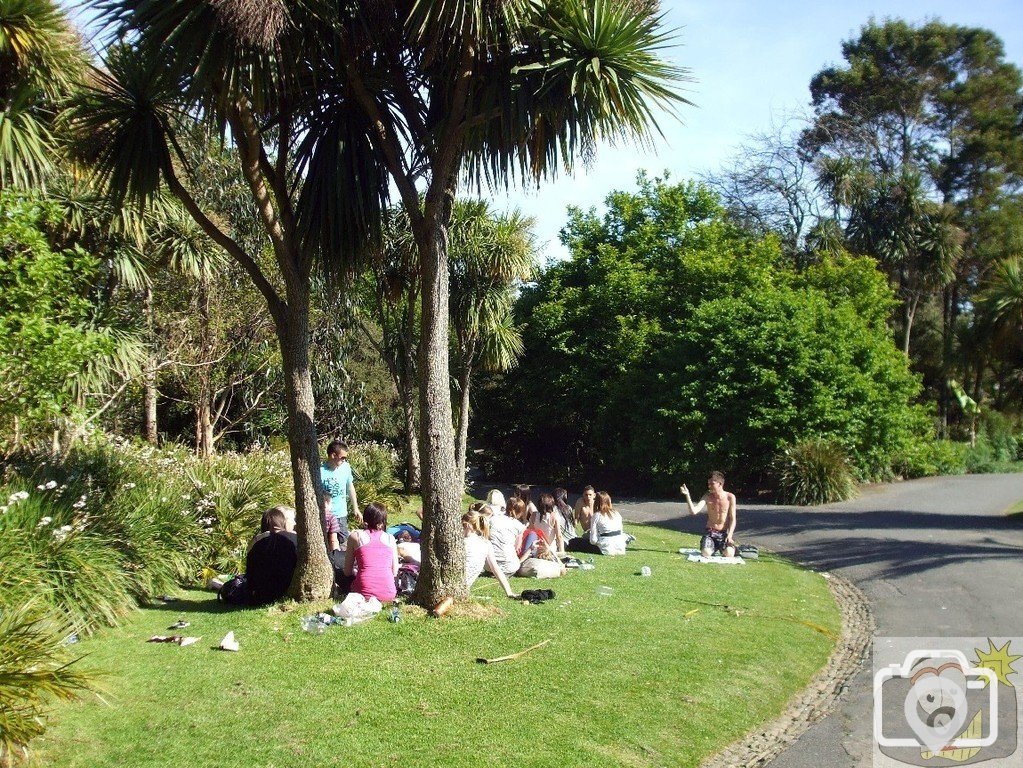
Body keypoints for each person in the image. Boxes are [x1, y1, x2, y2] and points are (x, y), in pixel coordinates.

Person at [343, 502, 398, 602]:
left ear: (365, 519)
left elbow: (347, 572)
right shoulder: (390, 539)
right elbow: (394, 572)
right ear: (382, 522)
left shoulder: (356, 536)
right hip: (388, 593)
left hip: (363, 593)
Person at [245, 506, 298, 606]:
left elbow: (250, 568)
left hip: (260, 592)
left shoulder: (258, 540)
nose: (294, 523)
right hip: (284, 588)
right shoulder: (293, 539)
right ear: (283, 522)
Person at [463, 508, 518, 598]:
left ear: (467, 525)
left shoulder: (463, 542)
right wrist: (509, 592)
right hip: (465, 587)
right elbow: (496, 569)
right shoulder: (486, 543)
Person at [681, 470, 737, 557]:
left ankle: (721, 548)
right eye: (708, 484)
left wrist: (729, 536)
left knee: (729, 554)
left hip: (723, 534)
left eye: (712, 483)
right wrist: (687, 495)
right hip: (710, 533)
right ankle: (712, 548)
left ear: (720, 484)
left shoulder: (730, 497)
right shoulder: (707, 496)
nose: (709, 486)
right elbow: (694, 511)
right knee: (706, 553)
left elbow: (732, 519)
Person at [321, 440, 360, 543]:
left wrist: (355, 508)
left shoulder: (346, 467)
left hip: (340, 514)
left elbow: (350, 487)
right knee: (326, 542)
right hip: (325, 515)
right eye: (342, 458)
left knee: (343, 542)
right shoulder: (320, 471)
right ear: (333, 455)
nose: (344, 460)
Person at [486, 497, 525, 576]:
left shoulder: (492, 519)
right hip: (508, 566)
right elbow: (517, 547)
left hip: (488, 565)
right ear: (520, 512)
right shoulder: (519, 526)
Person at [588, 491, 628, 555]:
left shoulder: (597, 515)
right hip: (620, 547)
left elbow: (593, 540)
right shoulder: (616, 513)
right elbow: (621, 531)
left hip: (606, 548)